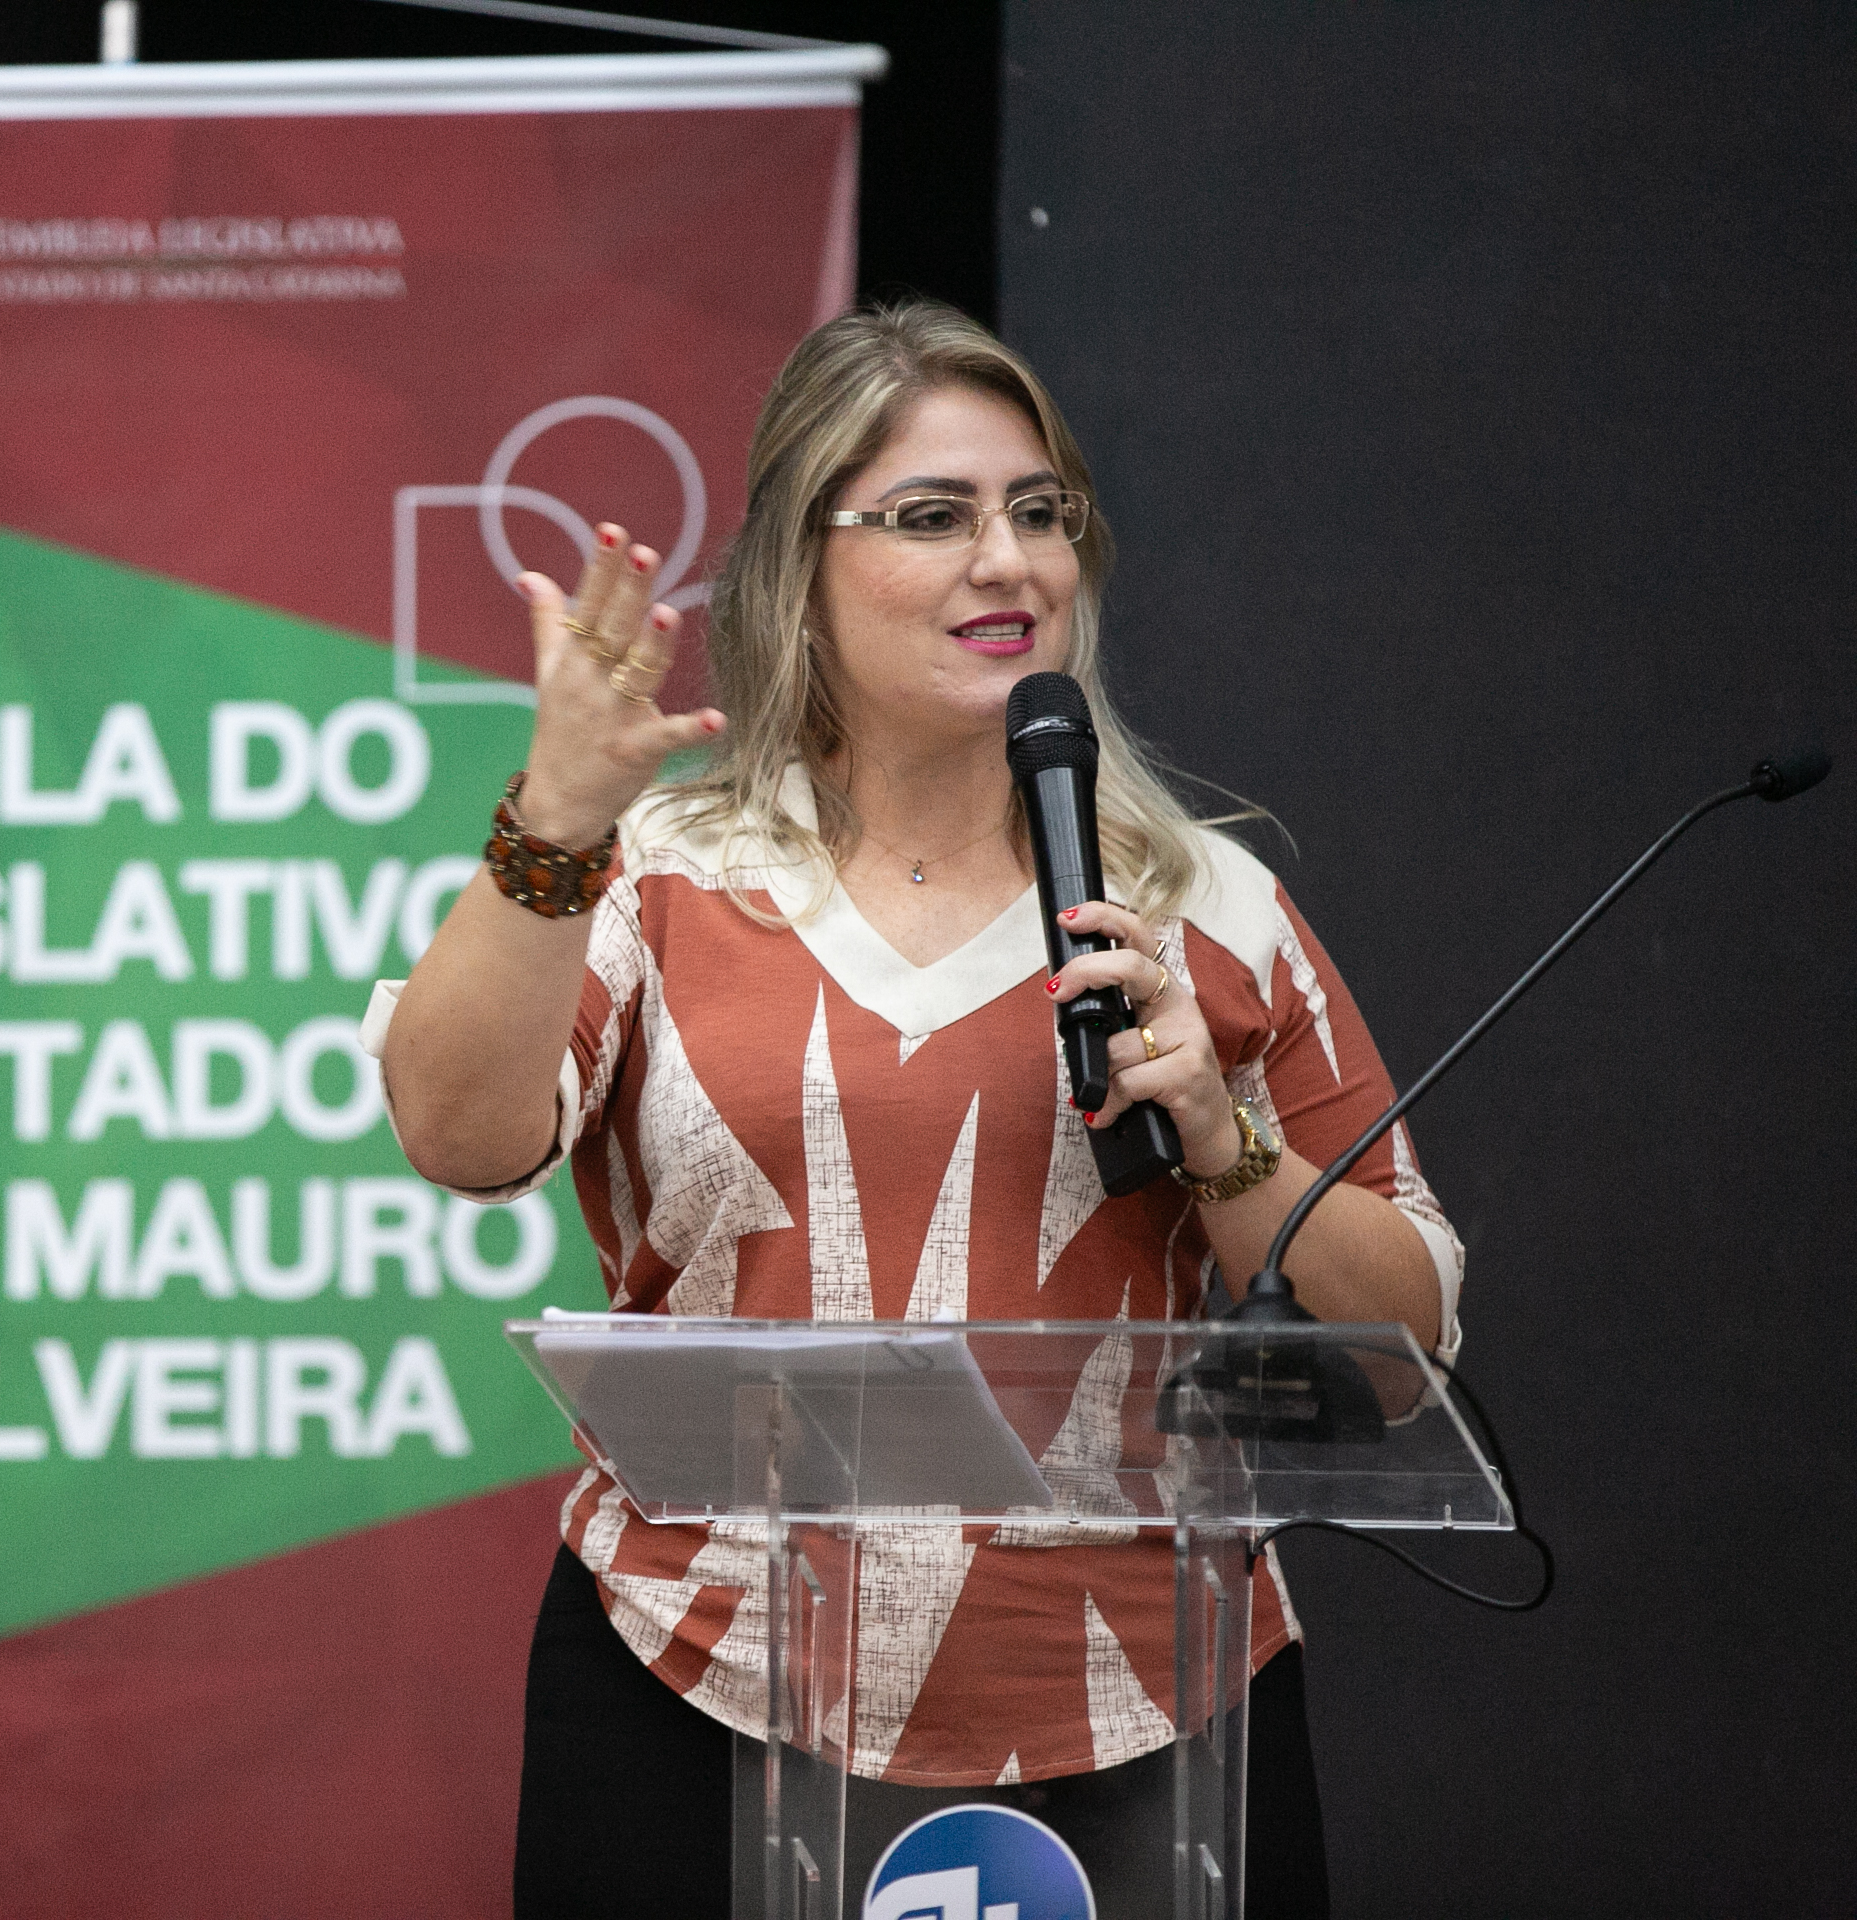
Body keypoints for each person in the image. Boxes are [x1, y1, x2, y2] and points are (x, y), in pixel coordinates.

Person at [362, 302, 1464, 1918]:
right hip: (697, 1687)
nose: (1006, 561)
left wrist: (1228, 1141)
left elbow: (1409, 1337)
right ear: (799, 565)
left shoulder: (1207, 903)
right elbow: (458, 1136)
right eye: (934, 517)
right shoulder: (665, 876)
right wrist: (558, 822)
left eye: (1040, 512)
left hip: (1153, 1715)